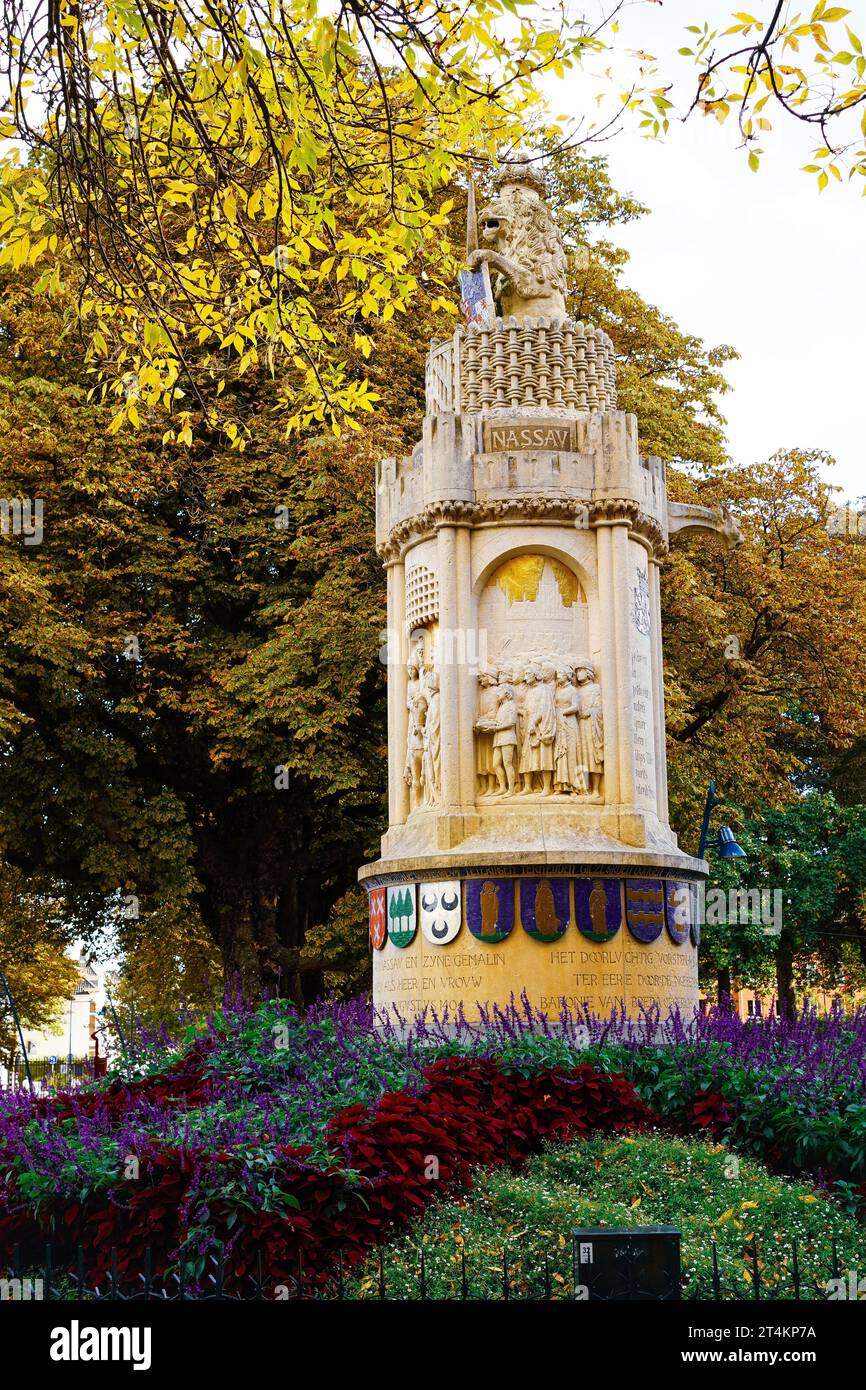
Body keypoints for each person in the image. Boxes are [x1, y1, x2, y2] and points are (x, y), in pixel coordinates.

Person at [575, 662, 604, 797]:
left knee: (592, 756)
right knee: (581, 756)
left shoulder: (595, 688)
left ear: (588, 672)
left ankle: (596, 789)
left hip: (590, 725)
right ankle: (583, 787)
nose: (578, 674)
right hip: (579, 725)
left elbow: (599, 708)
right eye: (577, 671)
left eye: (580, 670)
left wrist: (590, 712)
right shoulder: (576, 690)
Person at [553, 664, 582, 794]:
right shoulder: (557, 690)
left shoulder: (572, 690)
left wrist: (562, 712)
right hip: (559, 723)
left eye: (560, 674)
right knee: (560, 754)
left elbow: (576, 707)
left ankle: (574, 786)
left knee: (571, 754)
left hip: (570, 723)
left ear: (567, 676)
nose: (558, 676)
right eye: (557, 674)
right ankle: (560, 785)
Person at [474, 668, 499, 796]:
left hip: (490, 729)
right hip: (482, 729)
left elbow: (494, 712)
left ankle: (492, 785)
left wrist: (482, 719)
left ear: (489, 677)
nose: (480, 680)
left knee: (490, 760)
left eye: (483, 677)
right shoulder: (482, 693)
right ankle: (483, 786)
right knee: (481, 760)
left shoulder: (495, 692)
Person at [490, 682, 518, 795]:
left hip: (507, 737)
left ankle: (511, 789)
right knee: (496, 764)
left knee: (507, 763)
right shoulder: (502, 707)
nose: (497, 695)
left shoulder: (511, 705)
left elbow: (511, 722)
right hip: (498, 738)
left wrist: (496, 728)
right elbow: (498, 721)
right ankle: (502, 787)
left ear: (506, 693)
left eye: (499, 692)